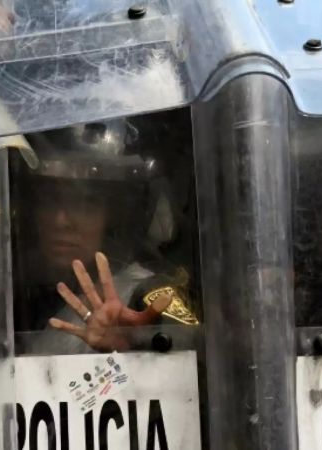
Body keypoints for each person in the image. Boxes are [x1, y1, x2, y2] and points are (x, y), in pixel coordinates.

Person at [11, 120, 199, 354]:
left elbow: (192, 370)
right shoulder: (27, 298)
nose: (61, 220)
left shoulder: (146, 294)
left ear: (116, 216)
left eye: (84, 205)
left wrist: (134, 346)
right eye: (49, 202)